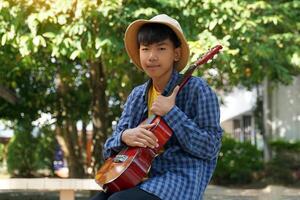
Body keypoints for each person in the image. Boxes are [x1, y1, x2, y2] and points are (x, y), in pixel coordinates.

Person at [91, 14, 223, 200]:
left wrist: (172, 112)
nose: (152, 57)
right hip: (135, 177)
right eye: (145, 49)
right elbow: (109, 147)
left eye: (161, 48)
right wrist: (125, 136)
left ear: (176, 53)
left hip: (177, 180)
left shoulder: (198, 90)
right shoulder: (138, 95)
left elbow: (211, 147)